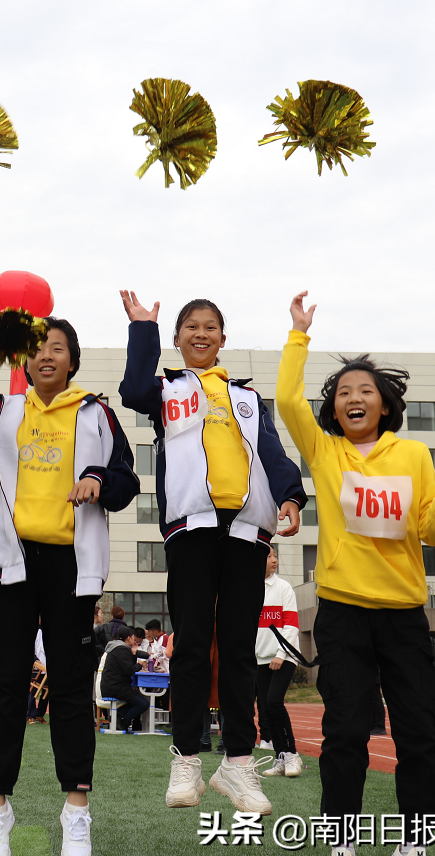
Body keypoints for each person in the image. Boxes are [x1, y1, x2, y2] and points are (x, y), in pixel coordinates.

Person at [276, 291, 435, 856]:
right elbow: (286, 398)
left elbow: (430, 532)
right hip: (342, 613)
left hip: (405, 614)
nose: (354, 398)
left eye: (366, 391)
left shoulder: (411, 455)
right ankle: (343, 848)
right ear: (334, 408)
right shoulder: (326, 451)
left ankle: (411, 848)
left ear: (385, 405)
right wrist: (298, 335)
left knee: (417, 734)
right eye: (344, 393)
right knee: (345, 733)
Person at [0, 315, 140, 856]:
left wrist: (100, 480)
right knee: (6, 684)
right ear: (23, 361)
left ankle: (75, 809)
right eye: (37, 350)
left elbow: (127, 482)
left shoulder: (95, 413)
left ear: (72, 361)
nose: (47, 357)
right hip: (12, 566)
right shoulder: (5, 412)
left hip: (72, 567)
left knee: (73, 686)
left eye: (58, 349)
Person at [118, 290, 306, 817]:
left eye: (211, 328)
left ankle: (239, 764)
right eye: (191, 328)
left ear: (223, 340)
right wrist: (141, 330)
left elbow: (272, 453)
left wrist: (292, 497)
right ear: (178, 339)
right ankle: (186, 757)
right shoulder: (167, 388)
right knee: (195, 643)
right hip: (191, 526)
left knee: (240, 649)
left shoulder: (246, 397)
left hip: (248, 530)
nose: (201, 334)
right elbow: (132, 389)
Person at [256, 545, 304, 779]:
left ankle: (293, 754)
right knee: (265, 707)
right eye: (269, 556)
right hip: (259, 659)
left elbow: (291, 625)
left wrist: (280, 654)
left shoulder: (283, 587)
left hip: (283, 656)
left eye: (275, 555)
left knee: (274, 702)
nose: (274, 560)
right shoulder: (247, 588)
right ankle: (281, 757)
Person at [100, 626, 147, 731]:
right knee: (143, 704)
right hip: (116, 686)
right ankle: (123, 721)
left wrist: (134, 653)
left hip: (112, 685)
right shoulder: (121, 650)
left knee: (137, 700)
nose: (134, 639)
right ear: (129, 638)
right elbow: (129, 670)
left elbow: (127, 666)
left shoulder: (117, 648)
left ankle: (118, 716)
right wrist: (140, 664)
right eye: (133, 636)